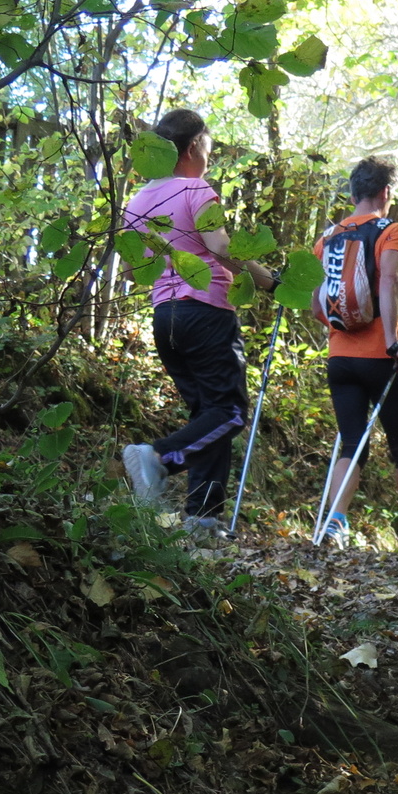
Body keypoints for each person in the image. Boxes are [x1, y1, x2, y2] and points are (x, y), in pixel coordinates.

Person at [119, 109, 272, 535]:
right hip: (206, 311)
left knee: (208, 414)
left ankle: (202, 519)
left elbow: (133, 271)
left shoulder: (137, 201)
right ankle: (160, 457)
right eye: (209, 146)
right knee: (230, 413)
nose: (210, 156)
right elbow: (221, 247)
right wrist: (269, 281)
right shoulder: (195, 188)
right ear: (192, 148)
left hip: (165, 317)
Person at [312, 156, 398, 559]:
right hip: (379, 357)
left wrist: (335, 331)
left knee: (352, 442)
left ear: (352, 192)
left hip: (339, 358)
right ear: (386, 192)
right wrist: (392, 341)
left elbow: (318, 301)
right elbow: (389, 281)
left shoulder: (328, 237)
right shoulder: (391, 230)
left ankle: (333, 523)